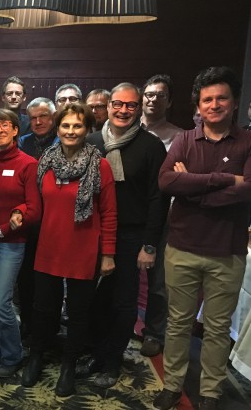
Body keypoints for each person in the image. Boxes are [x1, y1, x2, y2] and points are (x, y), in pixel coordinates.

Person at [153, 66, 251, 410]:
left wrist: (193, 184)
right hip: (181, 248)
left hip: (227, 251)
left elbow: (248, 191)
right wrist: (224, 179)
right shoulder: (183, 140)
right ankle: (173, 385)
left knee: (217, 327)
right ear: (198, 104)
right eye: (207, 99)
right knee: (178, 323)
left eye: (221, 97)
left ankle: (210, 392)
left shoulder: (248, 142)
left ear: (234, 102)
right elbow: (166, 182)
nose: (214, 104)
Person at [22, 103, 117, 397]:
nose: (71, 131)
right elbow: (35, 204)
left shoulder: (100, 164)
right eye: (66, 126)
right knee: (43, 309)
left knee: (78, 313)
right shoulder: (45, 162)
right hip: (49, 246)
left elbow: (110, 213)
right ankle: (37, 356)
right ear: (57, 128)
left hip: (84, 249)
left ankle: (68, 365)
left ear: (87, 129)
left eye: (77, 126)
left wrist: (108, 254)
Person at [83, 83, 169, 388]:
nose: (123, 110)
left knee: (123, 302)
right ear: (107, 107)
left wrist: (149, 245)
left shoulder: (151, 146)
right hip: (93, 233)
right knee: (95, 299)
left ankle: (112, 360)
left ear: (138, 109)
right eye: (117, 104)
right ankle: (96, 351)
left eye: (130, 106)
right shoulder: (92, 142)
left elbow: (158, 199)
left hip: (132, 236)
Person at [0, 108, 41, 378]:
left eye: (4, 125)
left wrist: (0, 230)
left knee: (1, 302)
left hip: (10, 242)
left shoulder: (28, 163)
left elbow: (34, 209)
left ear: (15, 130)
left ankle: (13, 356)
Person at [139, 74, 182, 358]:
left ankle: (154, 333)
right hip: (129, 216)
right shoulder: (124, 128)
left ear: (169, 101)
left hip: (162, 218)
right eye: (149, 94)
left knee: (158, 283)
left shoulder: (179, 137)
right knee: (119, 277)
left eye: (160, 95)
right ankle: (115, 324)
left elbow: (179, 181)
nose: (153, 99)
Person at [14, 97, 57, 343]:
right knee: (26, 277)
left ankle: (48, 330)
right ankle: (28, 324)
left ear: (54, 117)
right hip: (29, 220)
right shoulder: (22, 143)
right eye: (33, 117)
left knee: (49, 280)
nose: (38, 121)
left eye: (44, 116)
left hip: (54, 221)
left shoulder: (63, 141)